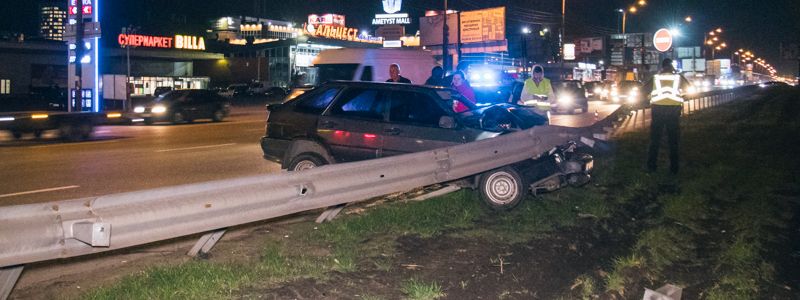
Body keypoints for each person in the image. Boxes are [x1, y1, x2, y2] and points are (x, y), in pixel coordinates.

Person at [645, 58, 693, 174]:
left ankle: (651, 167)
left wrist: (649, 99)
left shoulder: (655, 78)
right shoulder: (678, 78)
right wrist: (681, 97)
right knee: (673, 141)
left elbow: (643, 91)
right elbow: (689, 90)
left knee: (655, 140)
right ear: (672, 67)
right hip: (673, 112)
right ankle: (674, 168)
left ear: (662, 67)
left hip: (657, 111)